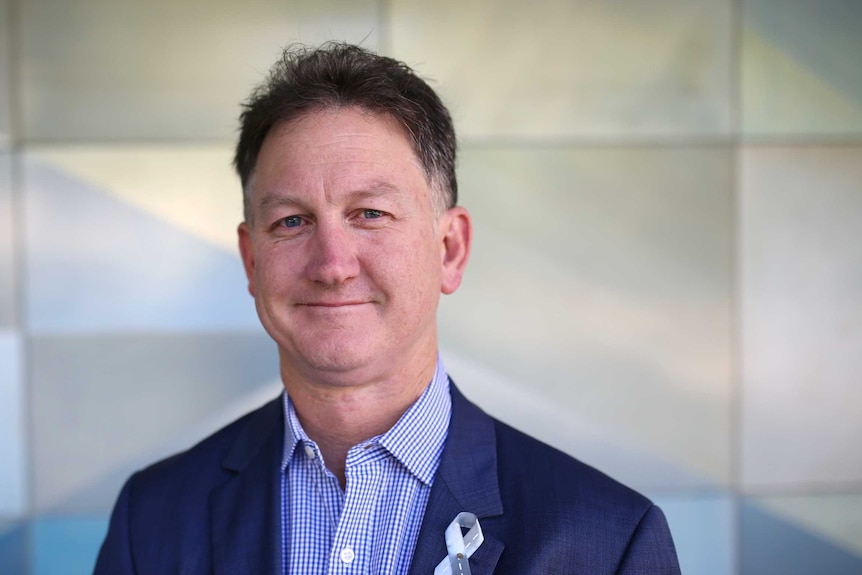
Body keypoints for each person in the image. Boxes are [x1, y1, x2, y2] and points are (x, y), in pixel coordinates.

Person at [94, 42, 681, 574]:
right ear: (252, 261)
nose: (332, 264)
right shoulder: (150, 523)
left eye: (370, 214)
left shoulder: (606, 543)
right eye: (292, 221)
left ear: (449, 249)